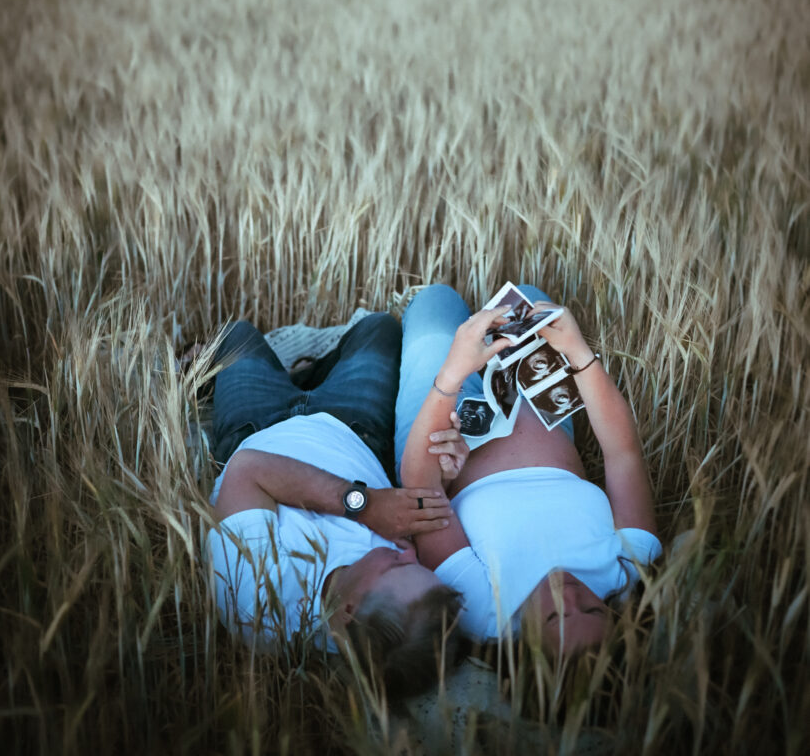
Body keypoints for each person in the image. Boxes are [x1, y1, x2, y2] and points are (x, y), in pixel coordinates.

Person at [205, 313, 467, 696]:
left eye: (396, 564)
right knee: (379, 327)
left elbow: (248, 470)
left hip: (258, 426)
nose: (408, 554)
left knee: (234, 333)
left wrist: (364, 504)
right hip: (355, 427)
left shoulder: (258, 603)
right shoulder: (399, 595)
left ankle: (287, 378)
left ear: (348, 610)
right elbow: (426, 493)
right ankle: (308, 374)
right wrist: (448, 468)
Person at [395, 284, 662, 655]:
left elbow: (422, 487)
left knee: (436, 304)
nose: (569, 594)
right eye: (590, 608)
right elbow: (623, 454)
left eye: (556, 617)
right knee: (527, 297)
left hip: (441, 436)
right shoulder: (628, 568)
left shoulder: (485, 609)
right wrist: (578, 354)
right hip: (541, 406)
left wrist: (453, 373)